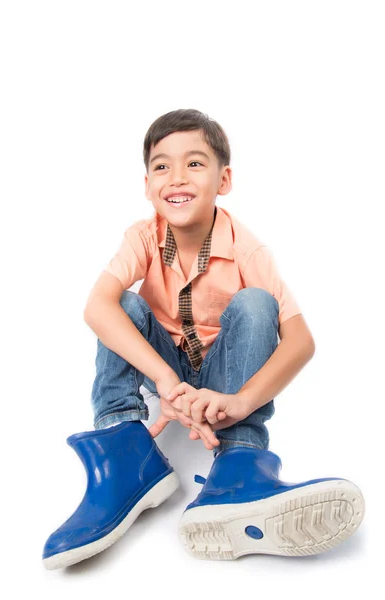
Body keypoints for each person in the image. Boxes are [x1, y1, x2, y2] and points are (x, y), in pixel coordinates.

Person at [42, 108, 365, 570]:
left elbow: (301, 341)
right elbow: (96, 307)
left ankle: (240, 465)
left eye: (194, 163)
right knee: (125, 306)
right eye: (161, 166)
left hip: (223, 380)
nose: (177, 177)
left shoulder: (247, 248)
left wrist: (241, 401)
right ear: (147, 185)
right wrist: (165, 383)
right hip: (166, 367)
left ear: (224, 179)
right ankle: (123, 454)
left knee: (256, 303)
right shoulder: (142, 237)